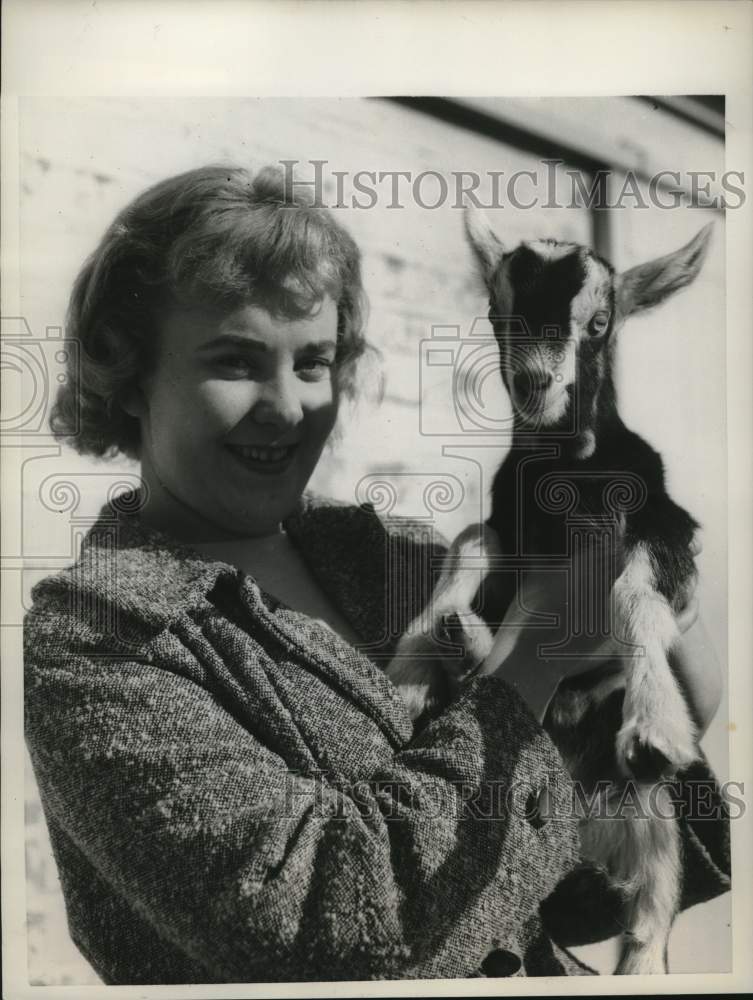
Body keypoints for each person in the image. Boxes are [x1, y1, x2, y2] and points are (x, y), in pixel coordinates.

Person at [23, 164, 730, 985]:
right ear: (127, 368)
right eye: (235, 361)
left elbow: (579, 872)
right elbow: (319, 923)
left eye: (315, 362)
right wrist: (535, 650)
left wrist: (654, 601)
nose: (287, 407)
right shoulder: (98, 641)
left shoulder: (398, 556)